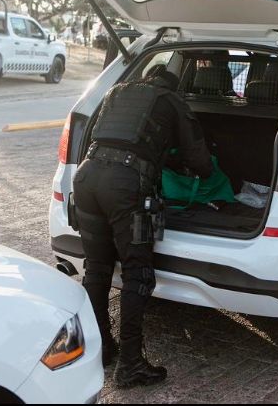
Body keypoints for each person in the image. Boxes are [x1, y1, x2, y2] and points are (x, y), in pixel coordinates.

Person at [72, 70, 212, 388]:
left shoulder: (116, 91)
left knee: (96, 268)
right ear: (172, 86)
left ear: (146, 78)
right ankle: (131, 364)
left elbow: (94, 136)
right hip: (125, 185)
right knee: (139, 274)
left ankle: (103, 349)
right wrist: (207, 173)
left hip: (87, 177)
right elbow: (196, 154)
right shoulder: (171, 100)